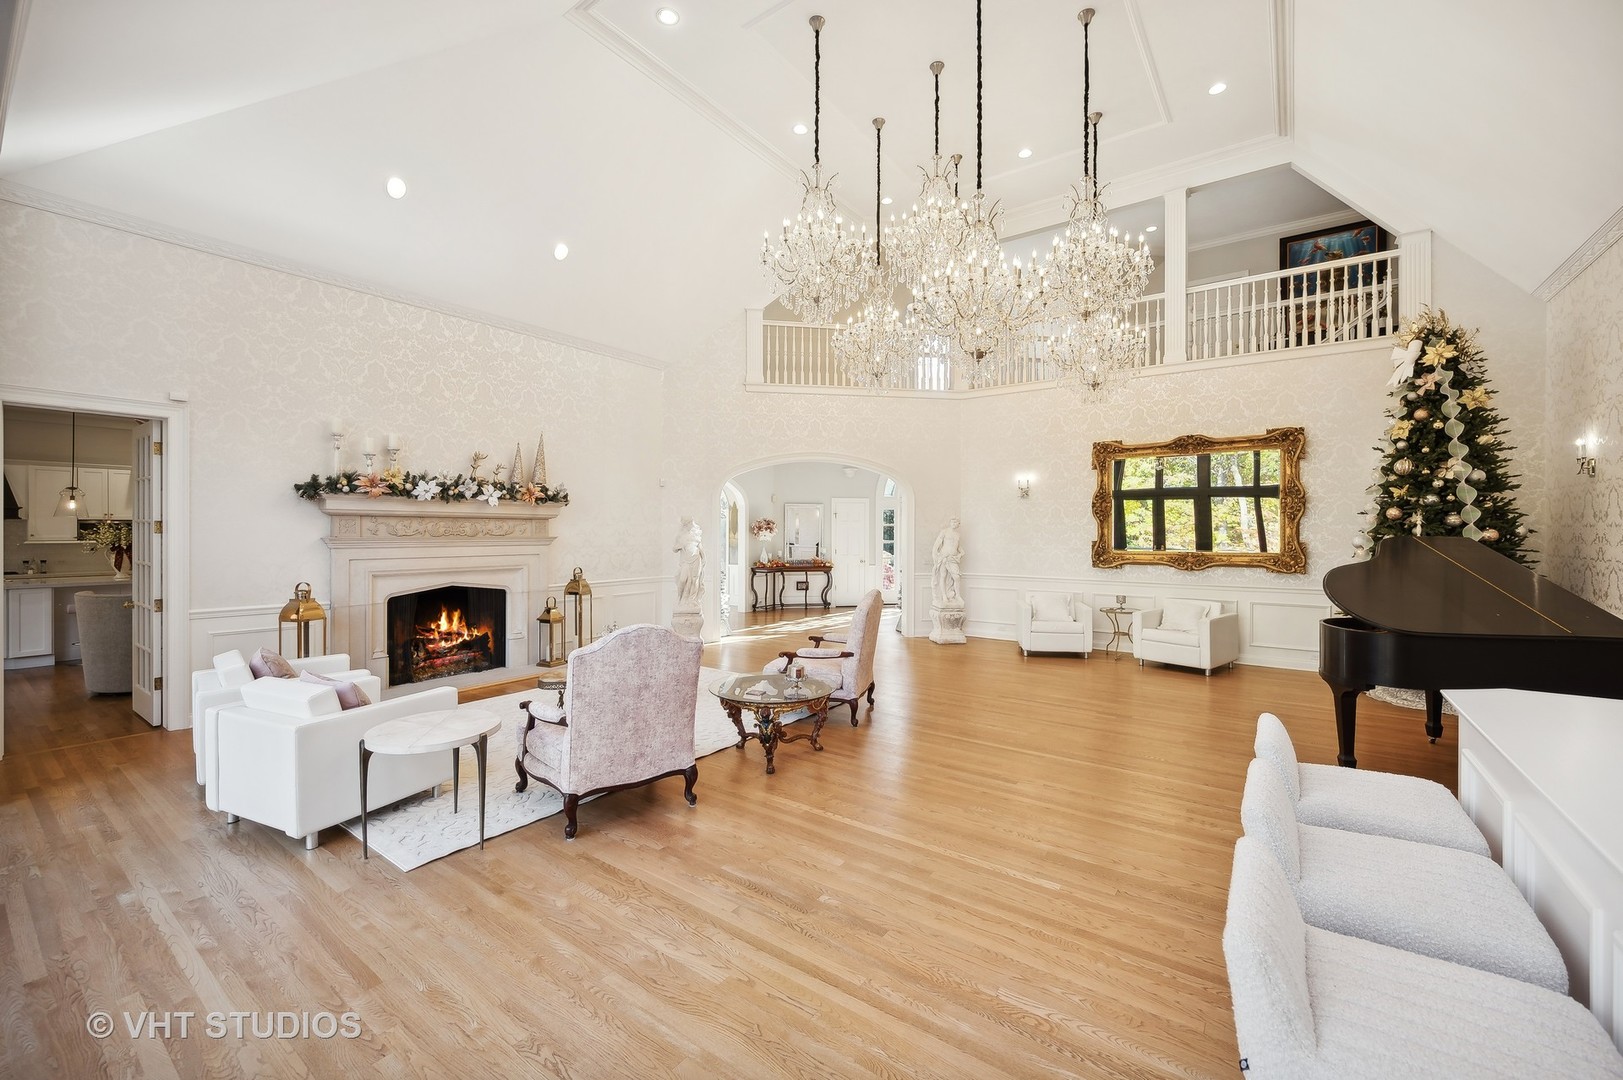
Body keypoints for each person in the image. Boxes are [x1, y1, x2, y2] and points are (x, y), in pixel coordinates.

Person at [673, 516, 704, 611]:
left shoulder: (696, 534)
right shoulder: (680, 536)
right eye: (687, 524)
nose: (689, 525)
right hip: (686, 560)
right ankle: (680, 598)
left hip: (696, 559)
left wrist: (704, 558)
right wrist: (679, 546)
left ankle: (692, 600)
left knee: (695, 580)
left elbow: (700, 548)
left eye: (690, 523)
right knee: (682, 579)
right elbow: (674, 549)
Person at [931, 517, 963, 606]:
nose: (954, 524)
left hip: (953, 559)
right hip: (944, 557)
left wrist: (960, 554)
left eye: (956, 522)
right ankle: (944, 596)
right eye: (952, 522)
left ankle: (957, 595)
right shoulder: (944, 532)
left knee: (956, 577)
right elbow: (936, 545)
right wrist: (936, 557)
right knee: (943, 576)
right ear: (950, 523)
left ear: (958, 524)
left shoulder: (958, 535)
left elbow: (958, 547)